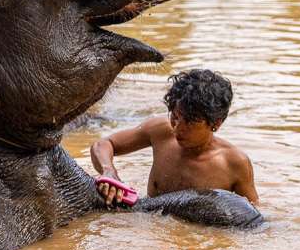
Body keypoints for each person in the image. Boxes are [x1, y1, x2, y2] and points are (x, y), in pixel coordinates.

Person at [90, 69, 259, 207]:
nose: (177, 127)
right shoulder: (160, 131)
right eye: (176, 117)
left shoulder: (234, 163)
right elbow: (103, 144)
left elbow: (252, 216)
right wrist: (109, 171)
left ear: (216, 123)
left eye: (190, 123)